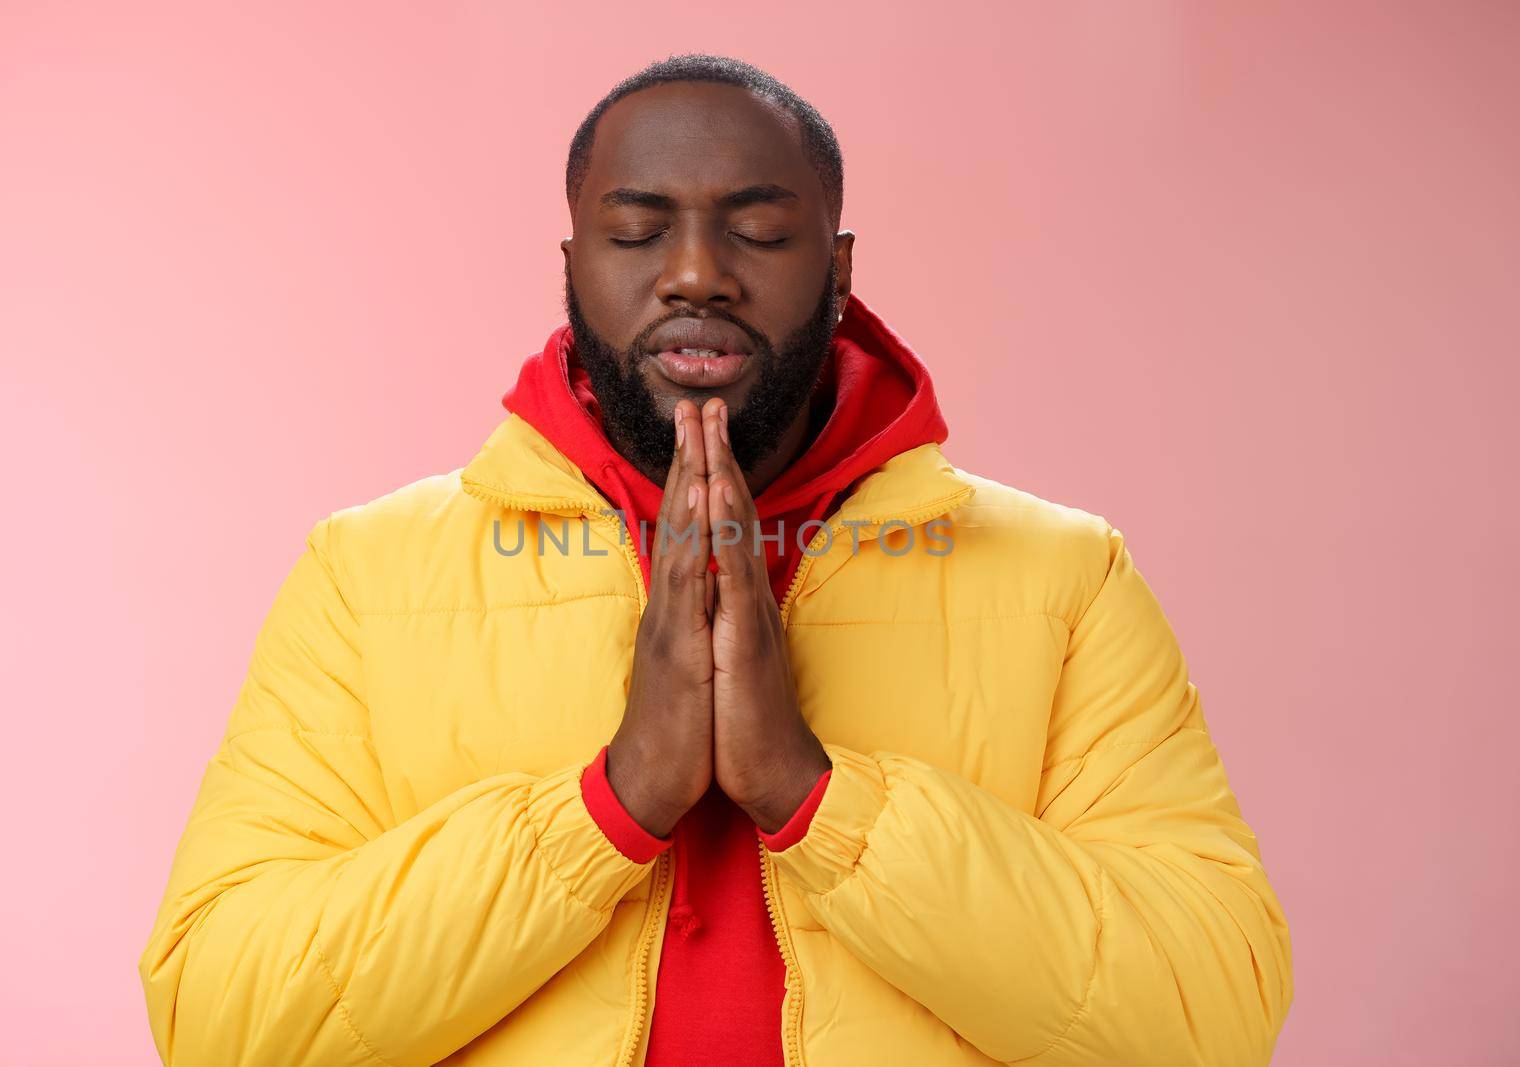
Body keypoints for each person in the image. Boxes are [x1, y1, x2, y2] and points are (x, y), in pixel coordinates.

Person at [139, 54, 1293, 1067]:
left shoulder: (1062, 576)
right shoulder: (365, 573)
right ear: (573, 264)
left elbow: (1211, 1013)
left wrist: (814, 793)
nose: (695, 272)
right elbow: (218, 1012)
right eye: (638, 230)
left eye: (758, 230)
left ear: (838, 271)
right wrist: (614, 799)